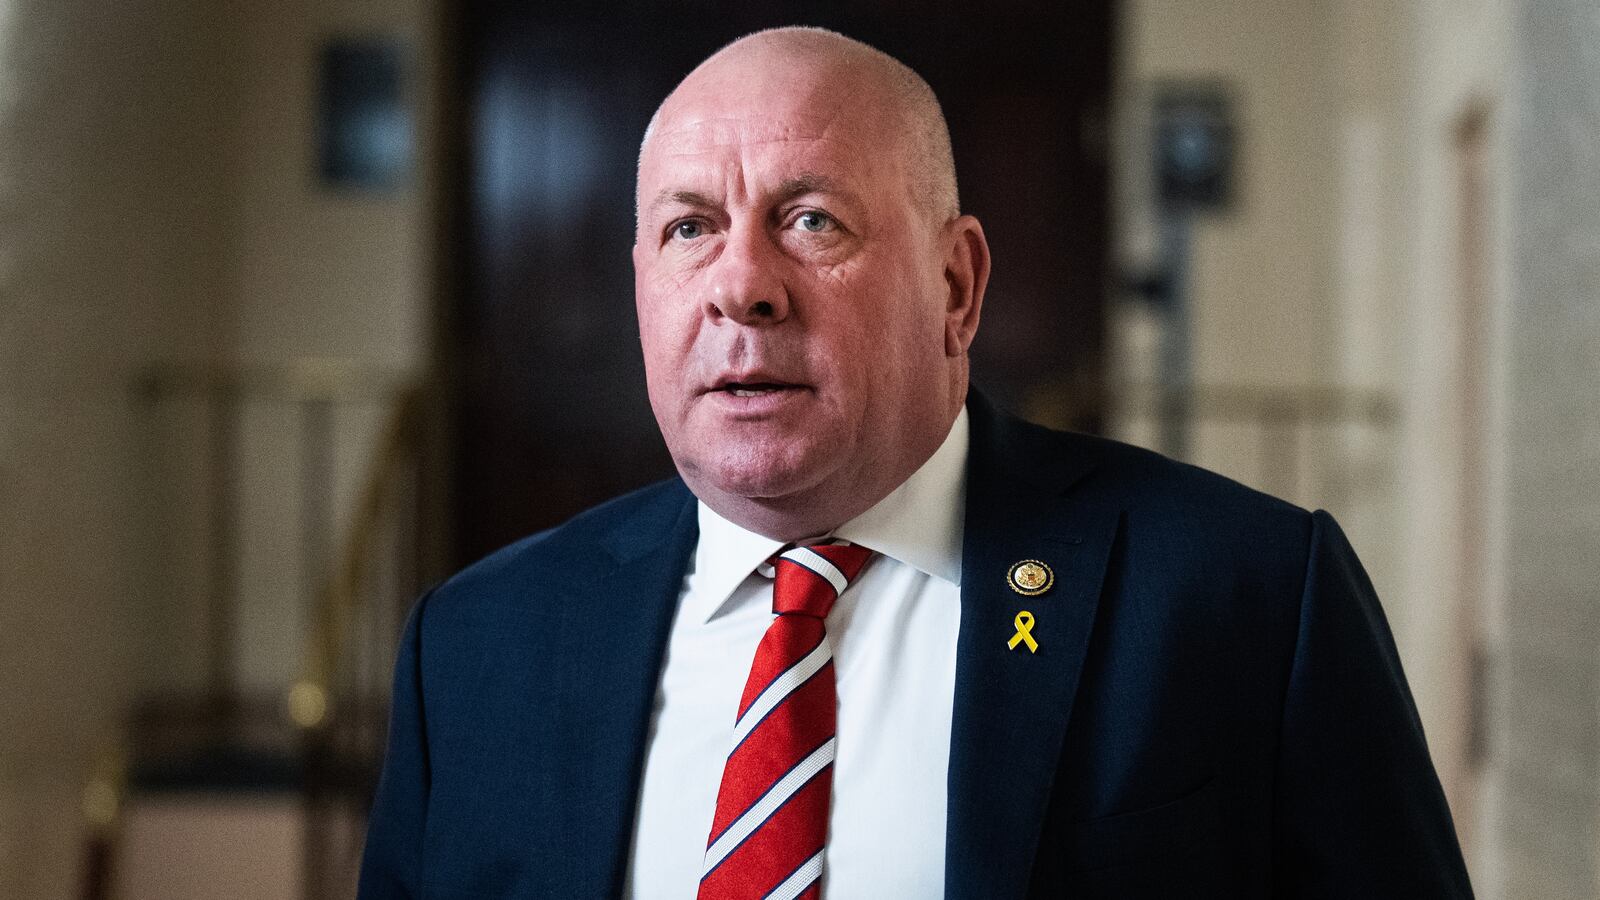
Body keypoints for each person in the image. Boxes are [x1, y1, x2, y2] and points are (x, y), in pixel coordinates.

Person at [358, 26, 1473, 899]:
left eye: (810, 221)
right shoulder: (474, 647)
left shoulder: (1251, 595)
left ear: (956, 287)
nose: (740, 285)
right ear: (640, 281)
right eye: (689, 228)